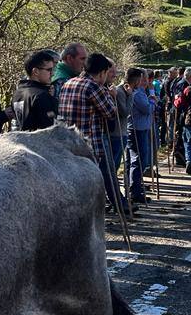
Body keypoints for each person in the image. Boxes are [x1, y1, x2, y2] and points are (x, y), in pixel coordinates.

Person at [57, 53, 130, 216]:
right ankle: (93, 219)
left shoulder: (68, 83)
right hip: (90, 145)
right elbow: (111, 113)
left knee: (75, 185)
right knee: (93, 185)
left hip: (67, 144)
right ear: (102, 72)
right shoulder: (93, 87)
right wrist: (111, 97)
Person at [11, 50, 58, 131]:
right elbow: (50, 130)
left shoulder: (17, 93)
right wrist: (52, 100)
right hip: (40, 142)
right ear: (35, 71)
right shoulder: (41, 96)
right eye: (49, 70)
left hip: (22, 141)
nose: (52, 73)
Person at [124, 67, 152, 202]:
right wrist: (153, 101)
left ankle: (134, 188)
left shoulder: (140, 92)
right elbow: (147, 109)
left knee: (135, 160)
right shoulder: (138, 93)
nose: (146, 81)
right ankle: (134, 191)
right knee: (139, 160)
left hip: (138, 128)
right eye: (144, 78)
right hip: (137, 129)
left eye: (146, 78)